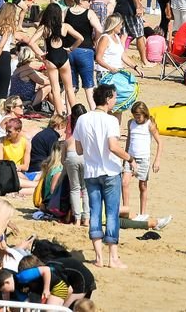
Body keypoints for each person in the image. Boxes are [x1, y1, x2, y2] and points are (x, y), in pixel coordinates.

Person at [73, 83, 132, 270]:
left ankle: (99, 257)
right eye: (114, 97)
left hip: (91, 172)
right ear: (107, 99)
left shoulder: (82, 119)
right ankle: (112, 258)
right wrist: (130, 158)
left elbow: (79, 149)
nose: (115, 100)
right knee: (112, 214)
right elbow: (113, 147)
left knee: (95, 212)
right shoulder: (111, 120)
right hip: (110, 171)